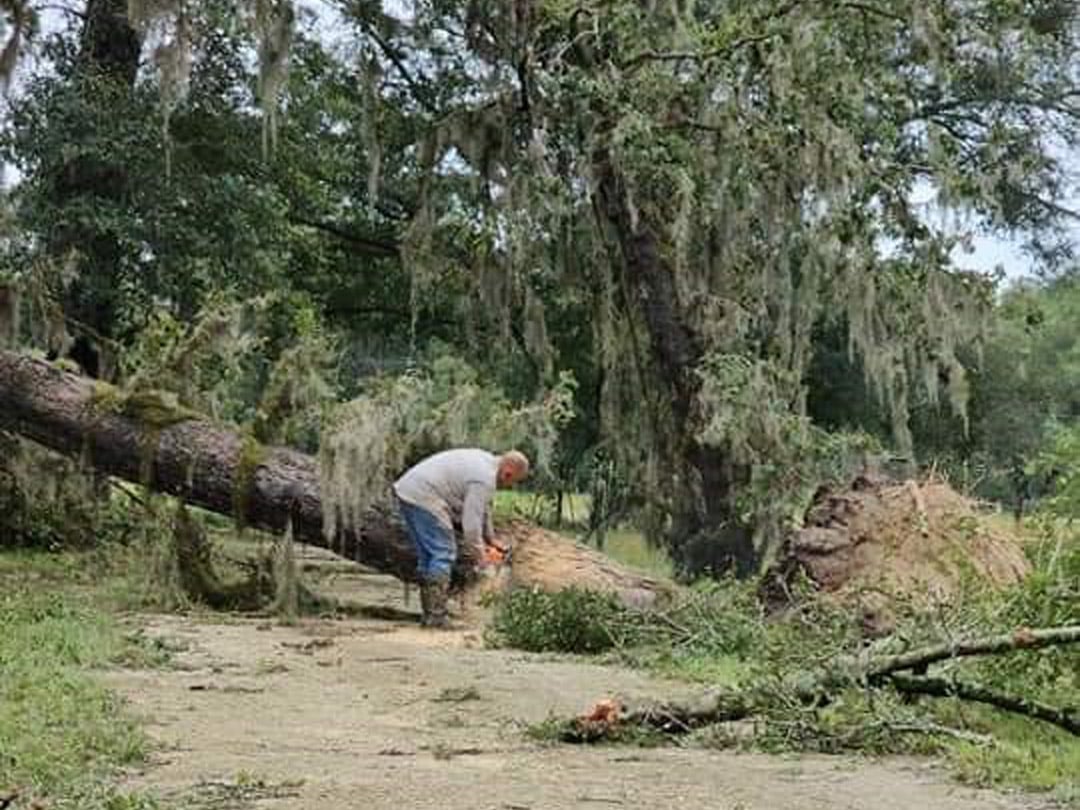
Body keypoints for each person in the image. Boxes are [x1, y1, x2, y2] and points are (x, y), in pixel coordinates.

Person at [393, 448, 530, 627]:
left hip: (409, 491)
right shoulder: (483, 478)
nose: (512, 486)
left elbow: (483, 508)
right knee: (444, 552)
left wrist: (491, 539)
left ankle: (430, 614)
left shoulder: (487, 464)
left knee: (428, 557)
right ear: (508, 473)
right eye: (514, 481)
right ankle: (436, 616)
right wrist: (481, 558)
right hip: (424, 496)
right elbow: (471, 526)